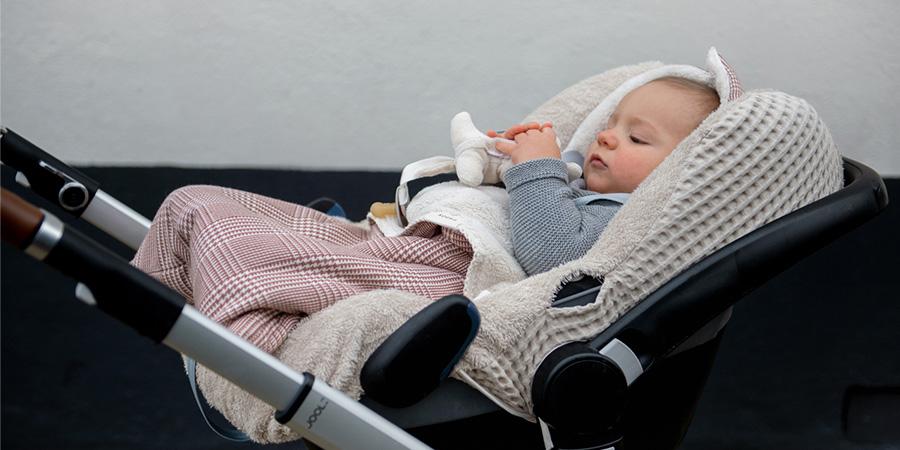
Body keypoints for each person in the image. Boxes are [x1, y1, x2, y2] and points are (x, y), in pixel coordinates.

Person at [486, 77, 720, 275]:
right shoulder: (572, 171)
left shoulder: (625, 219)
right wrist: (508, 154)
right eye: (608, 126)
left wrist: (535, 168)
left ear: (679, 168)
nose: (605, 137)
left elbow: (551, 257)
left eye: (636, 138)